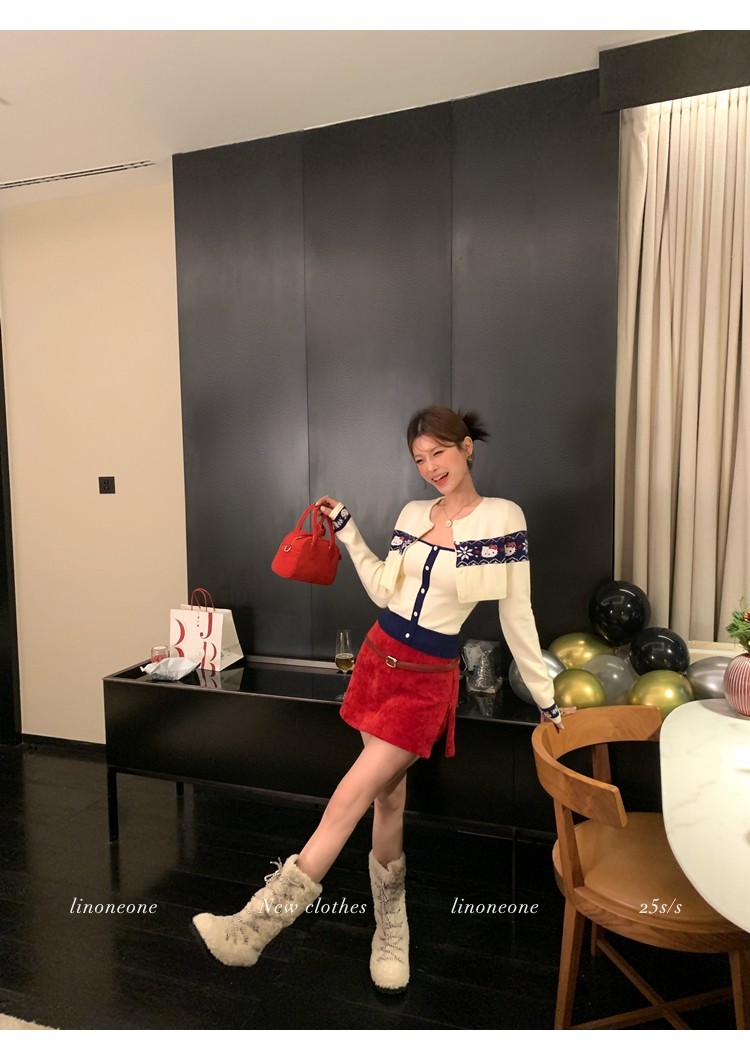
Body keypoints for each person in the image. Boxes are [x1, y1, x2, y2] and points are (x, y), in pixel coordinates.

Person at [192, 405, 562, 992]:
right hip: (376, 662)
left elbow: (518, 614)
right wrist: (349, 534)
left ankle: (254, 928)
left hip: (425, 681)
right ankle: (392, 927)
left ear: (467, 447)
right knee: (388, 799)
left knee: (349, 796)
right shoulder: (413, 514)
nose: (431, 467)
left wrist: (546, 697)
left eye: (440, 452)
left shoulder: (501, 518)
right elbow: (383, 590)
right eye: (420, 459)